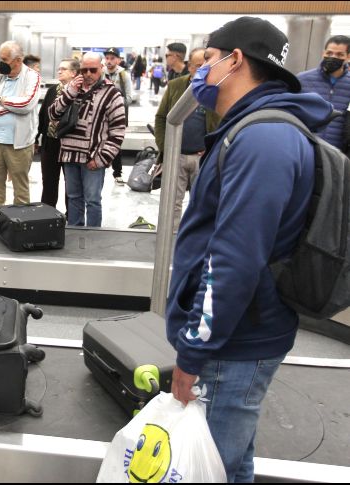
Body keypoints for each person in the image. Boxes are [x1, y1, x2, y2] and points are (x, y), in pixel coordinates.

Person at [166, 17, 334, 483]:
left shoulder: (262, 138)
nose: (201, 70)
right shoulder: (255, 130)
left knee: (207, 469)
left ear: (234, 59)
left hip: (234, 343)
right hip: (239, 334)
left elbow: (234, 259)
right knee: (231, 463)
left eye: (208, 59)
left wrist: (193, 353)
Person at [48, 52, 126, 227]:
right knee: (73, 198)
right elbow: (53, 113)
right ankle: (75, 235)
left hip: (93, 158)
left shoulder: (112, 93)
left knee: (92, 201)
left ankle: (93, 239)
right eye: (84, 70)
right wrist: (70, 92)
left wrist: (102, 158)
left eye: (93, 70)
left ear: (101, 68)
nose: (88, 74)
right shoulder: (71, 89)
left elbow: (118, 131)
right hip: (69, 155)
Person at [153, 47, 221, 228]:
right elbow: (161, 117)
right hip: (176, 155)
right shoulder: (176, 86)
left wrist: (212, 148)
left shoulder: (216, 88)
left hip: (202, 157)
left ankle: (196, 240)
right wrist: (165, 146)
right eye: (198, 65)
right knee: (171, 202)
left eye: (206, 65)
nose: (203, 69)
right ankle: (170, 237)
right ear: (189, 67)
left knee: (201, 202)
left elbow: (224, 120)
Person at [0, 40, 42, 220]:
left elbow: (26, 104)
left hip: (19, 145)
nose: (1, 63)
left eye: (5, 59)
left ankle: (19, 222)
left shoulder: (32, 77)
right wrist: (6, 104)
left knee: (20, 188)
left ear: (18, 60)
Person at [37, 58, 79, 208]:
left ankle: (71, 217)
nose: (59, 71)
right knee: (48, 182)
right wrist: (38, 137)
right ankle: (47, 215)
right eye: (59, 68)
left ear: (74, 73)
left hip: (69, 143)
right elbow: (43, 115)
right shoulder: (53, 90)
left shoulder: (79, 93)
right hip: (50, 142)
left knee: (71, 185)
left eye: (64, 69)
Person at [297, 35, 350, 151]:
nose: (333, 57)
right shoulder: (303, 79)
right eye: (329, 53)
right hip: (307, 148)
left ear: (348, 57)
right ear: (323, 53)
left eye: (339, 55)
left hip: (338, 154)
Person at [103, 47, 133, 185]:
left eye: (112, 58)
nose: (109, 61)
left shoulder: (123, 75)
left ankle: (117, 172)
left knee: (116, 143)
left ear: (118, 60)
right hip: (102, 116)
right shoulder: (101, 73)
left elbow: (129, 98)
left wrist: (115, 104)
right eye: (107, 58)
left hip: (117, 117)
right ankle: (100, 168)